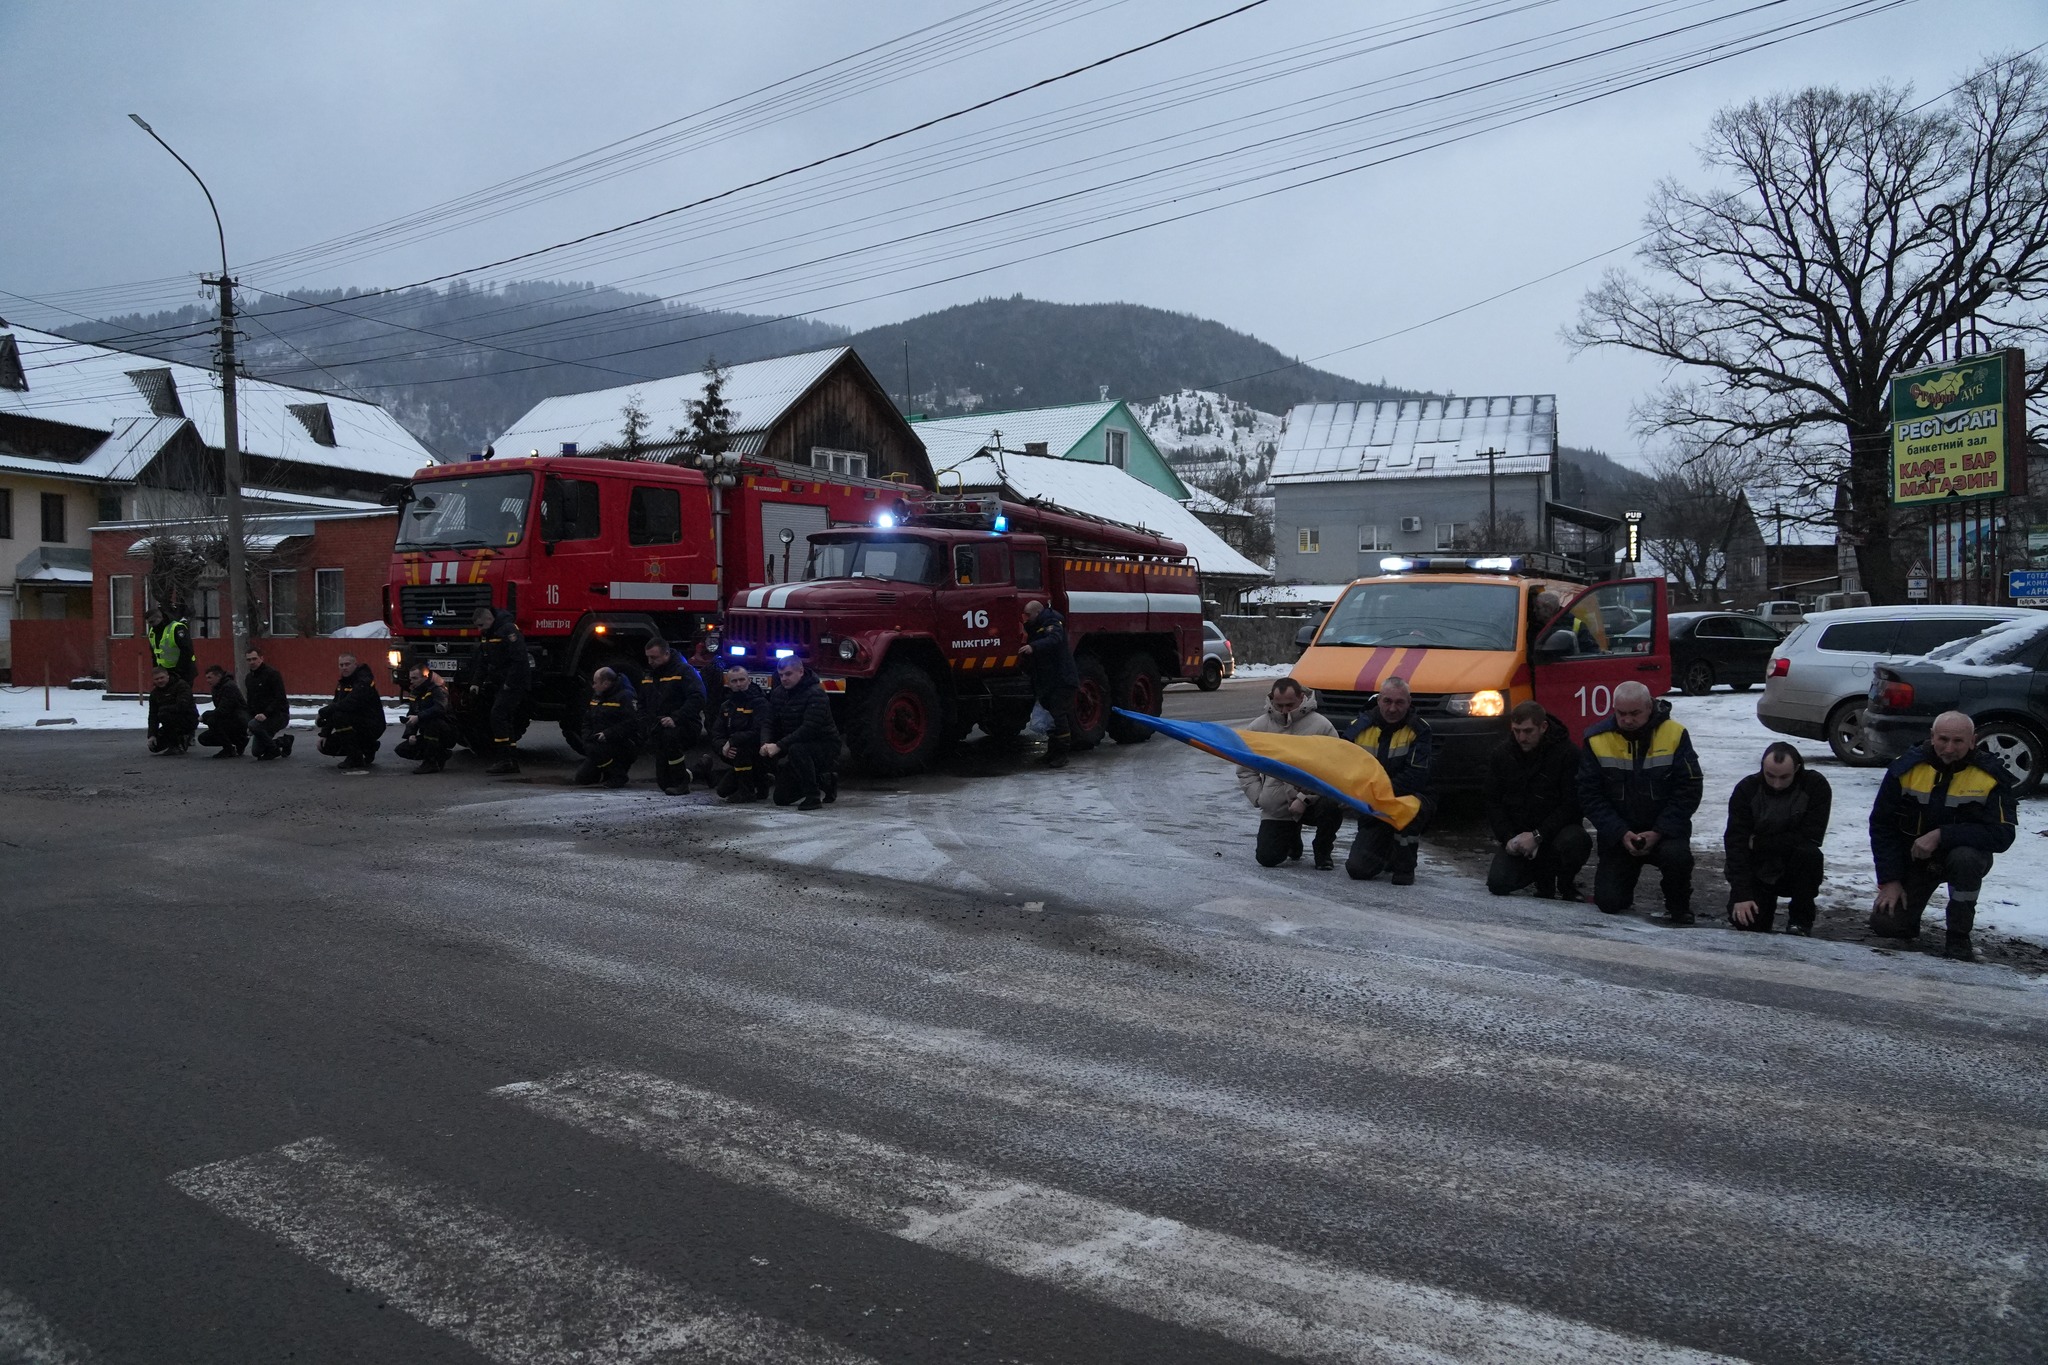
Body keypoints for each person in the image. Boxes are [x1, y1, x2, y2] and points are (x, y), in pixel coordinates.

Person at [1869, 711, 2017, 962]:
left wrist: (1942, 835)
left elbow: (2003, 835)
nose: (1949, 748)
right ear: (1932, 737)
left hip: (1962, 859)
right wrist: (1890, 880)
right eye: (1943, 739)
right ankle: (1909, 919)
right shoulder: (1906, 768)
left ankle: (1958, 935)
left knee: (1965, 858)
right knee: (1887, 925)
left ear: (1973, 741)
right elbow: (1882, 826)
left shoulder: (1991, 776)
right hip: (1916, 860)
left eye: (1958, 741)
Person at [1577, 680, 1703, 924]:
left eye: (1634, 713)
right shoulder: (1596, 739)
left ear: (1650, 707)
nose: (1627, 720)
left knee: (1677, 858)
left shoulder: (1674, 734)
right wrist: (1621, 833)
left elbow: (1689, 789)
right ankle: (1623, 889)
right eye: (1621, 714)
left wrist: (1659, 831)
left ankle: (1678, 904)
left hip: (1664, 833)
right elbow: (1589, 795)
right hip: (1620, 834)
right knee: (1609, 903)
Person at [1484, 700, 1591, 900]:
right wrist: (1507, 838)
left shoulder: (1568, 754)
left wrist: (1538, 835)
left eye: (1527, 731)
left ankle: (1564, 881)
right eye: (1516, 731)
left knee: (1575, 841)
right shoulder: (1502, 755)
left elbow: (1572, 805)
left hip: (1555, 833)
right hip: (1518, 835)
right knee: (1498, 884)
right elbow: (1493, 802)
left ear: (1543, 727)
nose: (1521, 738)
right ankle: (1540, 875)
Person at [1724, 742, 1832, 935]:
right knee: (1749, 925)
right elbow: (1736, 844)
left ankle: (1800, 920)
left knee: (1809, 855)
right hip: (1757, 868)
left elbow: (1811, 837)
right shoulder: (1746, 790)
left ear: (1797, 769)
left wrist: (1758, 843)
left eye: (1784, 777)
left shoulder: (1815, 786)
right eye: (1770, 776)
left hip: (1794, 868)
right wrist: (1742, 893)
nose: (1777, 784)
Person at [1237, 677, 1344, 870]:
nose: (1285, 711)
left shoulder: (1322, 726)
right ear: (1271, 699)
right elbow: (1245, 768)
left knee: (1331, 808)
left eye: (1290, 705)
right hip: (1276, 806)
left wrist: (1304, 799)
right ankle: (1292, 838)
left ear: (1302, 698)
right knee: (1267, 858)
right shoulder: (1258, 727)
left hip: (1313, 803)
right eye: (1279, 705)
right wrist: (1259, 798)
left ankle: (1323, 849)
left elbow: (1333, 771)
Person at [1341, 676, 1434, 885]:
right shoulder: (1359, 727)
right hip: (1373, 805)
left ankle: (1404, 864)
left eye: (1400, 702)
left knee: (1411, 808)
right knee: (1358, 869)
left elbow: (1415, 777)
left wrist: (1376, 795)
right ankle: (1386, 849)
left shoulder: (1420, 730)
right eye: (1387, 701)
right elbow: (1344, 765)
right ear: (1379, 699)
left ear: (1409, 703)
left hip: (1406, 798)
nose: (1393, 708)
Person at [762, 655, 840, 809]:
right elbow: (768, 721)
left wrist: (779, 746)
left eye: (788, 674)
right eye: (781, 675)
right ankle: (825, 780)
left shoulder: (816, 693)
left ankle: (813, 797)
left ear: (801, 672)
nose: (784, 679)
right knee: (781, 798)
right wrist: (765, 743)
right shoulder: (778, 694)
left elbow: (809, 729)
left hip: (824, 746)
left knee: (797, 749)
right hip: (795, 745)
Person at [637, 637, 707, 795]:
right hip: (659, 727)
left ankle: (682, 784)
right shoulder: (650, 675)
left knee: (671, 738)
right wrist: (644, 723)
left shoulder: (684, 671)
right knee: (664, 783)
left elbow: (698, 697)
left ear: (666, 654)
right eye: (648, 657)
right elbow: (641, 703)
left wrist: (676, 718)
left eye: (654, 657)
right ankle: (700, 770)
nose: (650, 661)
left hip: (685, 724)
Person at [1018, 599, 1079, 769]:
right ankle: (1052, 752)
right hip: (1049, 680)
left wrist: (1033, 647)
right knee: (1051, 717)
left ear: (1037, 612)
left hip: (1062, 680)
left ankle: (1062, 754)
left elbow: (1055, 639)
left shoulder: (1052, 621)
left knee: (1059, 715)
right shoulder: (1036, 625)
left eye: (1028, 615)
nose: (1025, 618)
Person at [471, 605, 531, 775]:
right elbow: (483, 661)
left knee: (498, 715)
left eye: (481, 625)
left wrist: (509, 683)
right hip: (501, 682)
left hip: (513, 683)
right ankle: (510, 759)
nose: (479, 629)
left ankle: (505, 759)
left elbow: (519, 660)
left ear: (490, 619)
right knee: (505, 718)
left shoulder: (509, 630)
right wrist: (476, 682)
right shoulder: (488, 634)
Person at [316, 653, 387, 772]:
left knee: (340, 716)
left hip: (372, 725)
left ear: (355, 664)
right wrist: (324, 733)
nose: (344, 667)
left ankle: (355, 757)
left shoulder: (364, 680)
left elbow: (351, 702)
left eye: (347, 664)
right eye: (341, 665)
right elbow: (336, 705)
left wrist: (323, 712)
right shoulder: (343, 683)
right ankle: (368, 747)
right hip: (355, 724)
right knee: (326, 746)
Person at [573, 666, 641, 788]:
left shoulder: (625, 696)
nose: (593, 686)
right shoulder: (597, 696)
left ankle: (618, 774)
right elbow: (587, 719)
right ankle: (605, 771)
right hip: (599, 743)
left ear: (605, 683)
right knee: (582, 778)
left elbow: (632, 722)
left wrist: (608, 734)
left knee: (598, 751)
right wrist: (587, 738)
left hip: (621, 743)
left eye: (595, 683)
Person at [712, 663, 768, 802]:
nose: (739, 684)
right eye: (734, 681)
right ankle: (759, 779)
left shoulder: (760, 703)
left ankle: (747, 792)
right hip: (737, 755)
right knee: (722, 791)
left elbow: (758, 732)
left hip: (758, 753)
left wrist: (732, 741)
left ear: (749, 681)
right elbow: (716, 734)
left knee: (742, 746)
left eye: (742, 680)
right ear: (728, 683)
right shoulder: (726, 706)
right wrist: (722, 748)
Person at [394, 666, 460, 774]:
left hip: (446, 731)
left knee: (431, 722)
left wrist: (419, 717)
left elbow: (440, 709)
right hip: (428, 732)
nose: (411, 681)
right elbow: (412, 713)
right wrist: (410, 734)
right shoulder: (415, 693)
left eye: (415, 678)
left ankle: (430, 762)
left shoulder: (437, 689)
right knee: (402, 749)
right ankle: (441, 755)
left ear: (425, 677)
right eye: (411, 678)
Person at [243, 646, 294, 759]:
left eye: (254, 659)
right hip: (260, 720)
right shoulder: (249, 678)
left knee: (254, 725)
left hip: (278, 715)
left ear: (261, 658)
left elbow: (280, 698)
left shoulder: (272, 674)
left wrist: (266, 714)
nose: (252, 662)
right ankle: (284, 741)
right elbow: (250, 702)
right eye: (249, 660)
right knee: (257, 752)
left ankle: (274, 750)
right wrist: (251, 722)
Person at [195, 664, 250, 758]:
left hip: (239, 720)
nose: (208, 681)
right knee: (203, 738)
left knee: (212, 720)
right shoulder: (217, 688)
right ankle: (235, 743)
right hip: (230, 719)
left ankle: (232, 746)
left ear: (218, 676)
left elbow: (224, 710)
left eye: (210, 678)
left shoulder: (229, 687)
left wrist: (205, 715)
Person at [146, 666, 198, 755]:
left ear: (167, 676)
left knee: (164, 713)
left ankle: (178, 742)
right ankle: (179, 741)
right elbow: (153, 715)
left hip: (188, 720)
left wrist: (164, 709)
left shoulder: (181, 685)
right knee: (154, 747)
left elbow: (183, 706)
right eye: (156, 679)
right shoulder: (154, 694)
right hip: (169, 723)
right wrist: (152, 735)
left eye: (161, 678)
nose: (159, 681)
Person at [145, 604, 197, 685]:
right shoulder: (153, 632)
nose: (151, 625)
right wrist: (157, 671)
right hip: (165, 673)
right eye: (149, 623)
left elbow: (187, 651)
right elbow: (155, 653)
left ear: (160, 618)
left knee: (182, 695)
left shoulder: (177, 628)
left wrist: (178, 672)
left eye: (152, 622)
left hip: (183, 672)